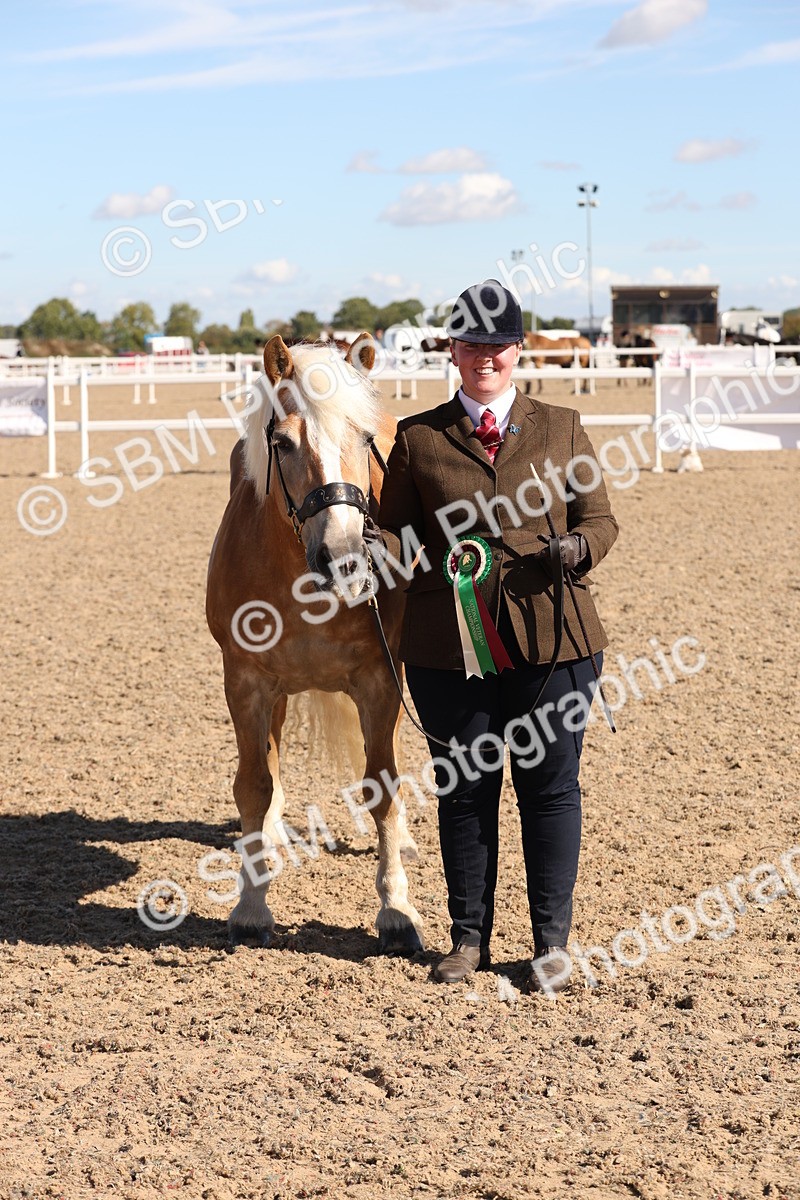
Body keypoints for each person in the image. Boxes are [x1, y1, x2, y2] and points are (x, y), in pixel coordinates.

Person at [374, 280, 619, 991]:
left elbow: (601, 520)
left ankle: (550, 945)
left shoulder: (563, 426)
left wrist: (577, 549)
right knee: (465, 790)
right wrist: (371, 548)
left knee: (550, 788)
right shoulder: (417, 438)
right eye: (471, 343)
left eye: (497, 345)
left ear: (518, 351)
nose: (485, 356)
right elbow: (398, 534)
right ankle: (467, 940)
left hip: (554, 639)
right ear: (453, 351)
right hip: (449, 645)